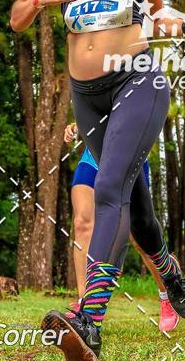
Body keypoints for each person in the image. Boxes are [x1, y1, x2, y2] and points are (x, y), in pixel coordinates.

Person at [10, 0, 185, 361]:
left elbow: (159, 16)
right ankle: (167, 268)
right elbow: (17, 17)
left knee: (108, 188)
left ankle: (89, 320)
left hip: (138, 78)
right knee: (137, 212)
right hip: (86, 93)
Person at [65, 122, 179, 333]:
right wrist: (80, 125)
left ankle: (167, 293)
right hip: (94, 155)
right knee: (82, 223)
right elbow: (94, 110)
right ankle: (84, 303)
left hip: (128, 155)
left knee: (138, 235)